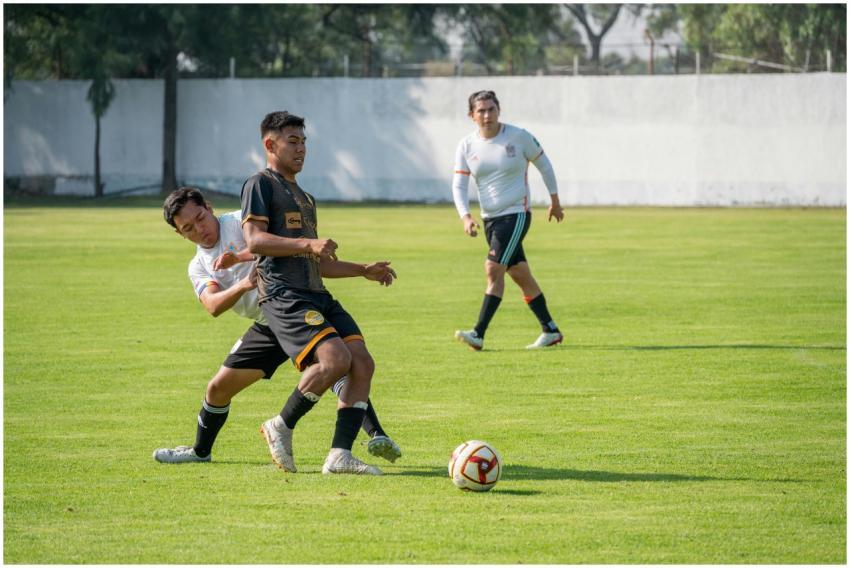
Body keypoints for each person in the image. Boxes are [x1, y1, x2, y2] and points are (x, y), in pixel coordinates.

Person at [153, 187, 401, 467]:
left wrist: (361, 269)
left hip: (295, 307)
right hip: (266, 325)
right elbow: (213, 305)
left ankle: (368, 437)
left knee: (340, 362)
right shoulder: (198, 265)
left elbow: (306, 263)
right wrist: (246, 284)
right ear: (180, 234)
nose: (200, 229)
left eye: (200, 218)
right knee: (217, 389)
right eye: (188, 228)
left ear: (209, 207)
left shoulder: (244, 223)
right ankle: (200, 451)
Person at [241, 110, 390, 475]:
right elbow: (255, 240)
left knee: (363, 364)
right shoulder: (260, 184)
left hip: (315, 291)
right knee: (335, 359)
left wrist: (362, 271)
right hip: (284, 295)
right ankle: (281, 425)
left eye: (304, 142)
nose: (301, 149)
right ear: (269, 144)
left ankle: (339, 455)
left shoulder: (305, 197)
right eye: (293, 141)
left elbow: (316, 261)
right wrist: (308, 243)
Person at [451, 90, 565, 351]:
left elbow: (544, 165)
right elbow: (459, 184)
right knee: (520, 274)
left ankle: (478, 333)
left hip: (516, 214)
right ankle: (550, 329)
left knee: (493, 269)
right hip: (489, 219)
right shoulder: (467, 145)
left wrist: (555, 201)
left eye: (491, 109)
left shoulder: (518, 136)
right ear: (472, 115)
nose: (487, 115)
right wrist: (465, 217)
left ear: (499, 110)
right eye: (481, 111)